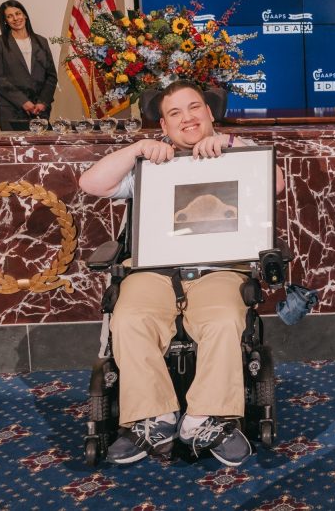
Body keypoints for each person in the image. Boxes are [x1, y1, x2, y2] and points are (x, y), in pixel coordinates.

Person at [78, 80, 284, 466]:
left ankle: (207, 419)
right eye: (175, 113)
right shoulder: (151, 164)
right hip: (154, 270)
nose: (187, 118)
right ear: (164, 126)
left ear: (209, 113)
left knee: (224, 318)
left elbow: (278, 183)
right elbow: (91, 183)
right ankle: (151, 418)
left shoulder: (238, 153)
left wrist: (230, 145)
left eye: (194, 108)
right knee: (131, 316)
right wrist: (139, 149)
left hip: (218, 269)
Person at [0, 0, 57, 131]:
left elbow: (51, 76)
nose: (15, 18)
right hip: (11, 109)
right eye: (9, 16)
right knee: (14, 150)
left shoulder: (41, 41)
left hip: (39, 109)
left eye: (18, 13)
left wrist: (43, 102)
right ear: (5, 21)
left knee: (40, 151)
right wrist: (23, 102)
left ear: (25, 15)